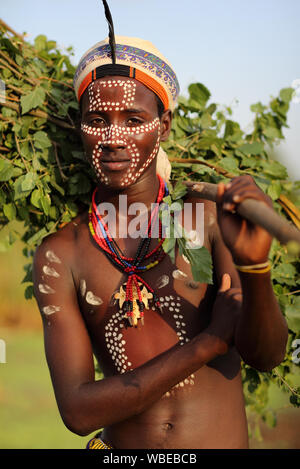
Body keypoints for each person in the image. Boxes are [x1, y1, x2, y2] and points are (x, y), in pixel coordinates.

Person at [32, 34, 288, 449]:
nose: (114, 138)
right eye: (98, 120)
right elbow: (78, 412)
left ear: (164, 126)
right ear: (80, 127)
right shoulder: (62, 254)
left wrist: (256, 268)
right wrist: (207, 343)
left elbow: (267, 355)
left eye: (134, 120)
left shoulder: (207, 220)